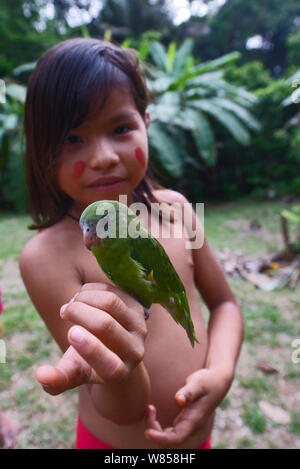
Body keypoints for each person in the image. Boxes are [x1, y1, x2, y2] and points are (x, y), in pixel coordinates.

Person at [19, 38, 243, 449]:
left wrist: (222, 371)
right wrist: (118, 368)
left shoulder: (179, 210)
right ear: (41, 151)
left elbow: (225, 304)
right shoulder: (46, 257)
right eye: (72, 138)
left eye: (121, 128)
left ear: (147, 124)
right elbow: (118, 406)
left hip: (198, 439)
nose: (103, 156)